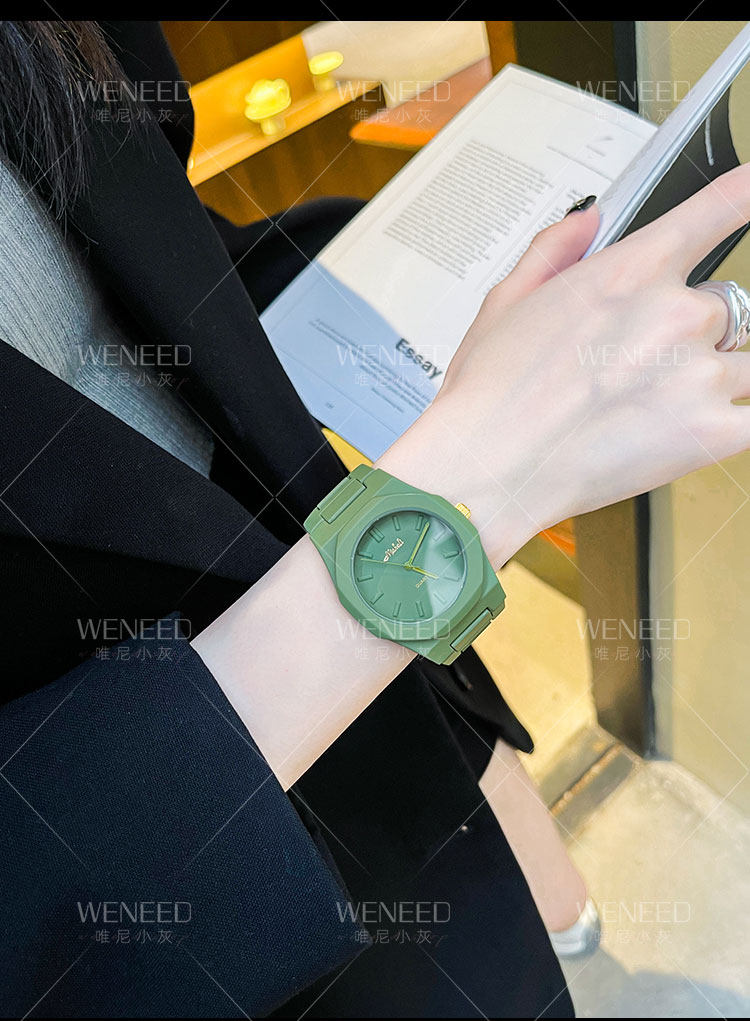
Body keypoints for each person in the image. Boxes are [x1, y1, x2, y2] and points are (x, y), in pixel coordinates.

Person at [1, 20, 748, 1020]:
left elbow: (169, 246)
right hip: (203, 867)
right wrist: (476, 470)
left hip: (373, 629)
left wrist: (414, 274)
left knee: (538, 916)